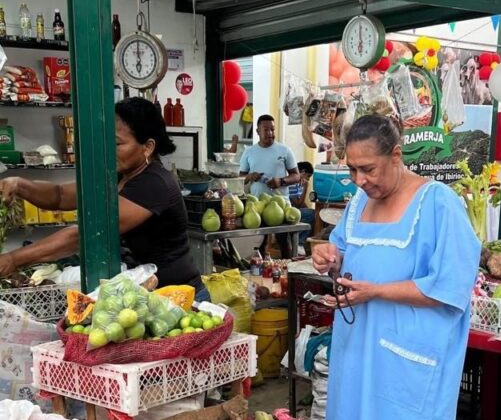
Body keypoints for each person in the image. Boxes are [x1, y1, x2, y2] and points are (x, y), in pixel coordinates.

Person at [312, 114, 480, 420]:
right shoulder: (359, 203)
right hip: (359, 352)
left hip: (411, 357)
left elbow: (451, 288)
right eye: (353, 171)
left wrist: (376, 292)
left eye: (369, 169)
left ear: (397, 156)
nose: (361, 181)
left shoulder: (437, 206)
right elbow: (344, 252)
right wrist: (330, 255)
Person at [0, 97, 207, 295]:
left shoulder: (154, 183)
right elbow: (60, 195)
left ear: (148, 147)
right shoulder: (119, 176)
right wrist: (19, 184)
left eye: (117, 144)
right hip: (146, 293)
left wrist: (13, 259)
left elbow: (88, 234)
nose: (108, 150)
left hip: (179, 298)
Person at [239, 114, 300, 256]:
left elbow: (296, 176)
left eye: (272, 129)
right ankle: (260, 273)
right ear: (258, 131)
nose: (270, 133)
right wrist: (250, 176)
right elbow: (240, 177)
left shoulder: (285, 150)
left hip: (282, 205)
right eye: (266, 130)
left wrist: (281, 181)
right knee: (260, 243)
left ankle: (289, 272)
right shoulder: (249, 152)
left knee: (284, 243)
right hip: (258, 206)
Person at [289, 161, 315, 242]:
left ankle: (300, 241)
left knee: (314, 214)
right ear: (302, 172)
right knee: (312, 214)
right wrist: (305, 188)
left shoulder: (298, 183)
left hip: (294, 210)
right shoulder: (292, 183)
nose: (308, 179)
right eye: (308, 176)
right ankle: (297, 242)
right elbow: (298, 204)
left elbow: (301, 203)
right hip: (289, 211)